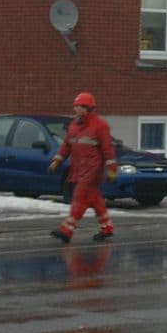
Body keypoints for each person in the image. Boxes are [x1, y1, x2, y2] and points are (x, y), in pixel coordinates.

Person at [47, 91, 118, 243]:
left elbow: (107, 149)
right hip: (78, 169)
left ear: (88, 108)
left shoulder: (100, 126)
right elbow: (67, 145)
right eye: (75, 106)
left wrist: (112, 168)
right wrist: (57, 161)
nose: (75, 109)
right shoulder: (74, 125)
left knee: (79, 197)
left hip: (93, 171)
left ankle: (67, 230)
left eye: (79, 106)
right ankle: (107, 228)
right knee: (95, 199)